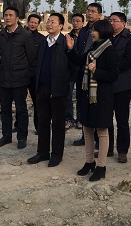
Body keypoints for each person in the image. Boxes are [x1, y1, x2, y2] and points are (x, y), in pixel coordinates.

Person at [68, 19, 119, 182]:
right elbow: (78, 61)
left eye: (94, 30)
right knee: (87, 129)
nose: (92, 33)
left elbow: (113, 75)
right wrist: (70, 49)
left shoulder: (109, 50)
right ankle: (89, 162)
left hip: (102, 97)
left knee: (102, 132)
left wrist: (96, 71)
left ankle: (101, 167)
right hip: (87, 95)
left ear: (102, 31)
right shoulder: (92, 48)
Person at [27, 13, 71, 167]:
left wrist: (64, 84)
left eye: (53, 22)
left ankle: (57, 154)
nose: (49, 24)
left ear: (61, 26)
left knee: (58, 124)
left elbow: (73, 65)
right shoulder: (43, 42)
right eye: (48, 21)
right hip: (42, 88)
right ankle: (42, 152)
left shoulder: (65, 43)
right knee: (43, 122)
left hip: (58, 90)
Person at [0, 6, 37, 149]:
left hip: (20, 79)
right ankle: (6, 136)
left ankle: (22, 137)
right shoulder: (1, 35)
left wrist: (25, 74)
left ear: (17, 18)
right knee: (5, 110)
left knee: (21, 110)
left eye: (10, 15)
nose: (7, 18)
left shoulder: (25, 35)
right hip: (4, 79)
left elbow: (32, 57)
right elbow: (2, 54)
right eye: (6, 15)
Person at [106, 12, 131, 163]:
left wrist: (109, 68)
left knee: (122, 120)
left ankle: (122, 151)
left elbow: (128, 61)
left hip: (122, 86)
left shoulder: (130, 40)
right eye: (110, 20)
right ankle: (107, 148)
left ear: (123, 23)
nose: (112, 23)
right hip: (106, 85)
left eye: (115, 21)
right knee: (106, 119)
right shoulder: (105, 38)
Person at [71, 3, 102, 146]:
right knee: (82, 104)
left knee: (96, 106)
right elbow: (79, 51)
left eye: (93, 11)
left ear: (99, 15)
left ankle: (99, 139)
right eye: (88, 11)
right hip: (82, 73)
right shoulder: (83, 31)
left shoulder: (103, 30)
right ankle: (85, 136)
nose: (90, 13)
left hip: (97, 74)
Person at [25, 13, 46, 133]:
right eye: (31, 22)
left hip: (34, 75)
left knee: (37, 102)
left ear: (38, 24)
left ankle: (38, 126)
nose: (32, 24)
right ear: (27, 22)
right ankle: (19, 125)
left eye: (35, 23)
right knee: (20, 102)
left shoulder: (42, 39)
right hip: (21, 74)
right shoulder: (21, 35)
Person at [65, 13, 84, 130]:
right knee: (68, 95)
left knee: (80, 96)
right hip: (70, 70)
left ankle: (80, 119)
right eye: (74, 21)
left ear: (83, 23)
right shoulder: (67, 37)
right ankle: (69, 119)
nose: (75, 23)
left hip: (82, 70)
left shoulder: (86, 37)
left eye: (78, 21)